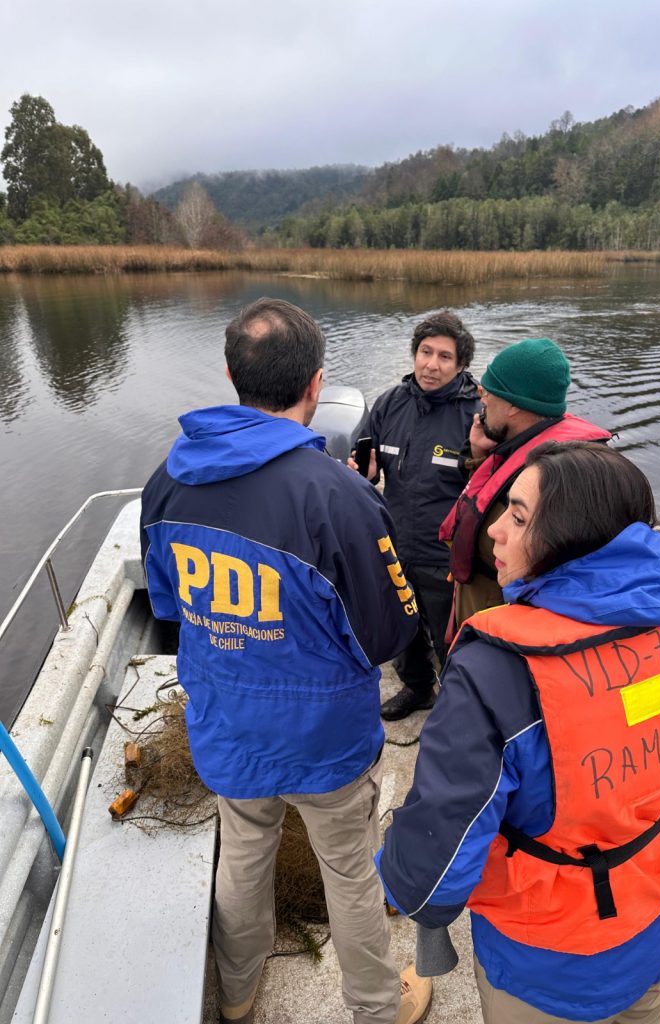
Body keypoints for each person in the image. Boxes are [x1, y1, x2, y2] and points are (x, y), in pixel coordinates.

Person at [377, 441, 660, 1024]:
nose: (494, 536)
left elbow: (434, 872)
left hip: (549, 963)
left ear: (567, 537)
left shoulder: (495, 670)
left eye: (517, 517)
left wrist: (398, 881)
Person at [140, 298, 432, 1024]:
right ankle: (374, 1004)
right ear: (315, 385)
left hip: (227, 729)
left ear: (236, 376)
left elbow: (169, 608)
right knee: (351, 871)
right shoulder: (338, 494)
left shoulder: (167, 482)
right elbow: (389, 632)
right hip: (324, 739)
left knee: (243, 855)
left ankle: (237, 994)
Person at [351, 311, 480, 721]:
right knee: (401, 626)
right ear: (414, 354)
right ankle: (419, 688)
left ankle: (459, 704)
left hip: (445, 552)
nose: (432, 364)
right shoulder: (390, 404)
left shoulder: (476, 414)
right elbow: (369, 468)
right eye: (426, 352)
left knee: (451, 636)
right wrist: (366, 473)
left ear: (461, 366)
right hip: (393, 544)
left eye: (445, 356)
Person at [439, 337, 611, 632]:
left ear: (513, 407)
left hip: (504, 634)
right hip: (482, 614)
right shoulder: (519, 450)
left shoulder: (553, 480)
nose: (482, 400)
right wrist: (482, 456)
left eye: (487, 391)